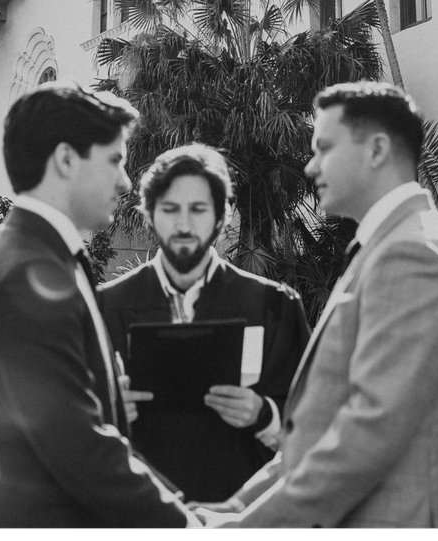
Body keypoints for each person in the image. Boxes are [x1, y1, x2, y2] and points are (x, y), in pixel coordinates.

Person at [200, 83, 438, 528]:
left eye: (324, 148)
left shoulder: (414, 255)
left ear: (377, 150)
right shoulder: (388, 246)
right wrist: (224, 514)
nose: (310, 166)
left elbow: (368, 434)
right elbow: (312, 439)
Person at [0, 83, 194, 527]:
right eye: (115, 161)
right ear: (65, 160)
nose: (125, 182)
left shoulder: (43, 256)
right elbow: (79, 446)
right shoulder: (23, 273)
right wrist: (188, 523)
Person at [95, 142, 309, 504]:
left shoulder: (272, 305)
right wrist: (110, 413)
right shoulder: (105, 308)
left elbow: (315, 429)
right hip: (141, 515)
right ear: (149, 215)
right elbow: (68, 431)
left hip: (244, 515)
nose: (183, 224)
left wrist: (263, 414)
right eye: (170, 209)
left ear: (221, 217)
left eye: (198, 209)